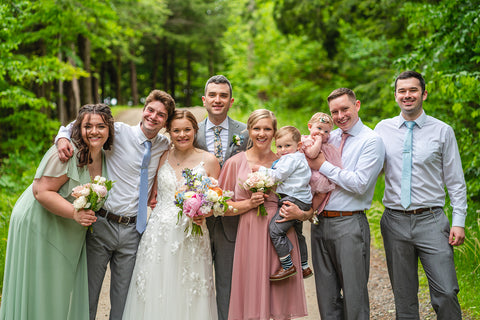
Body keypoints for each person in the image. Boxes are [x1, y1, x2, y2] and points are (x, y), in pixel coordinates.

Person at [55, 90, 175, 319]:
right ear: (143, 109)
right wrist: (61, 138)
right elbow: (79, 125)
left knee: (124, 301)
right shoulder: (118, 132)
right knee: (88, 295)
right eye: (150, 110)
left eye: (161, 114)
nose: (153, 116)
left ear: (166, 121)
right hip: (102, 224)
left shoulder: (163, 145)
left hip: (134, 231)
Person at [0, 104, 114, 320]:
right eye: (87, 126)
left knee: (57, 291)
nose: (94, 131)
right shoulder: (67, 151)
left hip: (65, 230)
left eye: (101, 126)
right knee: (40, 289)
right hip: (38, 224)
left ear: (110, 129)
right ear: (78, 128)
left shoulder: (105, 155)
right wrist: (74, 213)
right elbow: (41, 191)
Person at [283, 88, 385, 319]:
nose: (340, 116)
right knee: (326, 297)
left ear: (357, 105)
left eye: (345, 109)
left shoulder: (371, 141)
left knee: (354, 295)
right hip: (320, 223)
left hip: (349, 224)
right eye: (334, 111)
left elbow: (360, 183)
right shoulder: (330, 136)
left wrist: (322, 165)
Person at [374, 71, 467, 320]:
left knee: (447, 292)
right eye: (402, 91)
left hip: (432, 220)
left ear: (423, 94)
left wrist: (458, 221)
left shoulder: (443, 131)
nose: (407, 95)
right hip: (394, 221)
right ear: (395, 95)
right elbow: (365, 169)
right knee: (404, 298)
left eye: (413, 90)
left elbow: (456, 181)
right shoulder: (382, 129)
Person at [122, 110, 220, 319]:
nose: (182, 134)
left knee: (188, 289)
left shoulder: (209, 160)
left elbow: (216, 200)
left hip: (191, 234)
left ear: (195, 130)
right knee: (156, 286)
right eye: (176, 130)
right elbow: (154, 194)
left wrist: (206, 212)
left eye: (187, 129)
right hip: (158, 234)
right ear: (169, 132)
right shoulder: (163, 156)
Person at [220, 109, 308, 320]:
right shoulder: (235, 162)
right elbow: (221, 206)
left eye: (267, 129)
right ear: (248, 131)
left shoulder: (285, 161)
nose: (262, 133)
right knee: (252, 293)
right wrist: (249, 204)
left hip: (280, 228)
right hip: (250, 232)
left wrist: (302, 214)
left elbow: (308, 195)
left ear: (274, 132)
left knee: (279, 296)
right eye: (257, 128)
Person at [196, 75, 247, 320]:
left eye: (223, 96)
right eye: (213, 95)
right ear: (204, 100)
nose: (218, 100)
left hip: (232, 221)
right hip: (197, 220)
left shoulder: (245, 133)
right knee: (196, 283)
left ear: (231, 100)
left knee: (228, 283)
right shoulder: (190, 131)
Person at [255, 126, 313, 281]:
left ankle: (287, 266)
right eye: (279, 146)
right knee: (298, 234)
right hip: (303, 200)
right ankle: (304, 266)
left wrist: (259, 169)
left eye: (287, 146)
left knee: (275, 230)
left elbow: (278, 176)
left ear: (298, 146)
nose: (283, 150)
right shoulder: (298, 158)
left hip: (292, 199)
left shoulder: (291, 159)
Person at [301, 112, 342, 212]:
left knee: (322, 193)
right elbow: (312, 154)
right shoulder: (306, 141)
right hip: (307, 174)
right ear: (310, 127)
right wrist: (318, 142)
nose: (322, 133)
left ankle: (312, 211)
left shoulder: (328, 147)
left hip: (318, 175)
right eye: (319, 128)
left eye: (326, 131)